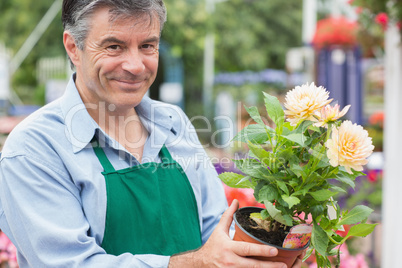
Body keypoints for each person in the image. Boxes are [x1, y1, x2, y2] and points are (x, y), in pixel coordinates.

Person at [0, 0, 303, 267]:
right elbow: (70, 264)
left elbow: (217, 233)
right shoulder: (35, 148)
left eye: (147, 45)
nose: (135, 65)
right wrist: (195, 264)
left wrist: (269, 250)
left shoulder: (175, 123)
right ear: (73, 48)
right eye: (114, 46)